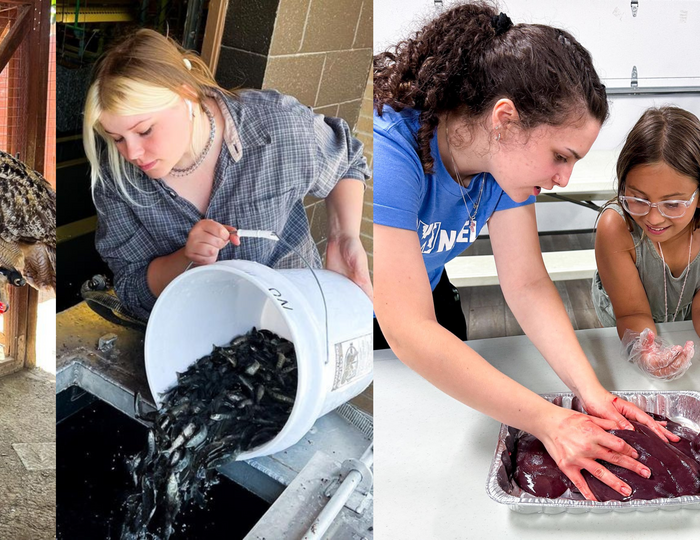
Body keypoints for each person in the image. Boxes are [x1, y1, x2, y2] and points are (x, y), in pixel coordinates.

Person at [372, 3, 677, 502]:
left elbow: (527, 283)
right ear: (505, 119)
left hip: (428, 301)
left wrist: (590, 392)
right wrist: (550, 421)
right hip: (357, 315)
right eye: (561, 156)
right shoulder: (390, 154)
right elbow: (406, 327)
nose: (564, 179)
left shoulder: (502, 168)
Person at [82, 29, 371, 320]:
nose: (131, 153)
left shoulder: (275, 126)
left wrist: (344, 235)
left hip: (294, 313)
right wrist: (187, 259)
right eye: (117, 138)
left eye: (144, 130)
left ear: (183, 94)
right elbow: (131, 285)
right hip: (196, 332)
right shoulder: (117, 179)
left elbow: (347, 161)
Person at [593, 106, 700, 380]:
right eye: (638, 199)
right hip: (625, 318)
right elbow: (630, 314)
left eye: (673, 204)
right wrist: (646, 354)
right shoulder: (617, 227)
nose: (653, 218)